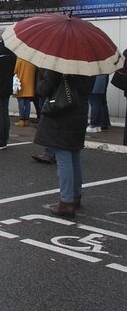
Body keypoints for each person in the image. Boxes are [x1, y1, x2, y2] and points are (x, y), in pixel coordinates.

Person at [34, 69, 95, 218]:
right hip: (80, 110)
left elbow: (44, 89)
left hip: (62, 110)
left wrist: (41, 78)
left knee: (63, 156)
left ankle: (66, 202)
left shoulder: (60, 63)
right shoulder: (89, 65)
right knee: (74, 153)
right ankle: (75, 196)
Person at [13, 58, 36, 126]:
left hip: (20, 84)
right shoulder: (32, 61)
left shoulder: (19, 59)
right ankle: (26, 120)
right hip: (30, 84)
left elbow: (15, 70)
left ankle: (22, 120)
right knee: (27, 102)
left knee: (21, 102)